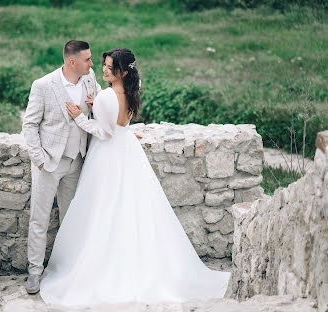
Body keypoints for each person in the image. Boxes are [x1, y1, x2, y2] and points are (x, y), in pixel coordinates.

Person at [38, 48, 231, 306]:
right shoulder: (130, 89)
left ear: (122, 72)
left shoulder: (107, 95)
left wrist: (80, 117)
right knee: (132, 207)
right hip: (126, 149)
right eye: (104, 65)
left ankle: (105, 267)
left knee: (103, 208)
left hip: (107, 155)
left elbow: (104, 132)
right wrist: (107, 114)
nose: (104, 70)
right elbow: (120, 124)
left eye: (109, 67)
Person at [22, 40, 101, 294]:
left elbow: (100, 109)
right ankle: (34, 271)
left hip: (77, 160)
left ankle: (69, 268)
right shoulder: (43, 85)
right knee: (39, 218)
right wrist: (40, 160)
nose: (91, 63)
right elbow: (30, 125)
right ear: (72, 62)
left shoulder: (90, 80)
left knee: (71, 219)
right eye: (87, 59)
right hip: (49, 163)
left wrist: (93, 106)